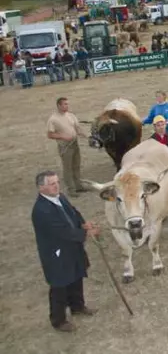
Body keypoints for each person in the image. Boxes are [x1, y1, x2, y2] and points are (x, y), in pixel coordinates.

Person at [32, 170, 99, 332]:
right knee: (60, 285)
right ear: (41, 188)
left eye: (57, 182)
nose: (56, 186)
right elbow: (63, 232)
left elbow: (73, 213)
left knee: (76, 275)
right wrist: (86, 233)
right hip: (57, 253)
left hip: (71, 248)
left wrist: (82, 224)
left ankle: (77, 306)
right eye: (52, 184)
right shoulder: (42, 210)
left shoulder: (59, 197)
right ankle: (58, 320)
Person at [46, 97, 87, 197]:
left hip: (74, 143)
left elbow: (77, 128)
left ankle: (78, 185)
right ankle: (71, 190)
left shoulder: (71, 115)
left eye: (67, 104)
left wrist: (85, 135)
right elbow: (50, 135)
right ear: (59, 105)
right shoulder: (53, 119)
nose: (67, 106)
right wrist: (63, 136)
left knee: (76, 165)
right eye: (64, 104)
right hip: (65, 146)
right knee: (68, 168)